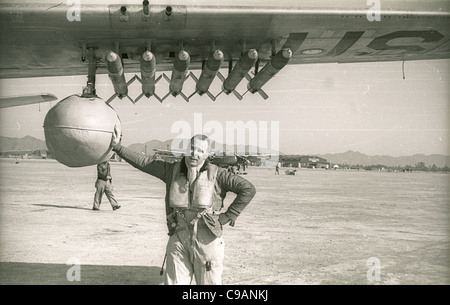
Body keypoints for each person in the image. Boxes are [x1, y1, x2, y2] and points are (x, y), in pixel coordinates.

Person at [110, 131, 256, 285]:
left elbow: (248, 189)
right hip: (179, 236)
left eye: (200, 151)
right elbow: (144, 162)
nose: (195, 154)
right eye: (192, 148)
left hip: (208, 240)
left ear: (207, 155)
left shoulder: (218, 175)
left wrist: (230, 215)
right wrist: (117, 147)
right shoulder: (171, 171)